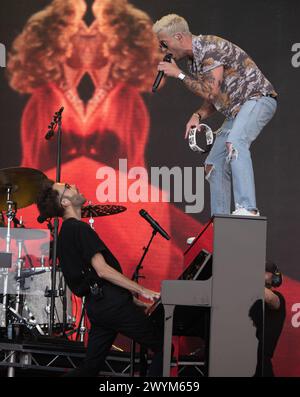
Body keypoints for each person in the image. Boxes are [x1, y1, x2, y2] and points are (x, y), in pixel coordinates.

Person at [153, 14, 277, 216]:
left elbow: (210, 90)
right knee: (214, 163)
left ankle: (247, 208)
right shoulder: (194, 61)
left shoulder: (209, 47)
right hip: (236, 110)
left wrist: (179, 74)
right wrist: (198, 115)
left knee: (236, 142)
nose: (163, 50)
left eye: (164, 44)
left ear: (179, 37)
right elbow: (215, 95)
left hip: (258, 99)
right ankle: (220, 224)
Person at [36, 179, 163, 377]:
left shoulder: (66, 233)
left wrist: (134, 301)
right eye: (67, 187)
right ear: (65, 203)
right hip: (111, 305)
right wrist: (143, 290)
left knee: (90, 368)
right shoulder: (79, 228)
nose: (74, 185)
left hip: (98, 307)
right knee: (164, 347)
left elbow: (94, 278)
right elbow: (102, 270)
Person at [250, 261, 286, 377]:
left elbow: (271, 299)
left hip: (261, 361)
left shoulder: (278, 298)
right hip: (250, 359)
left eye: (266, 271)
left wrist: (250, 279)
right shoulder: (254, 299)